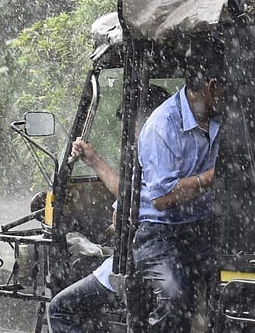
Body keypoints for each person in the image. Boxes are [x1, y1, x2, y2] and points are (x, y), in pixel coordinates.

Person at [48, 85, 170, 333]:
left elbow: (127, 205)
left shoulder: (157, 157)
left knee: (59, 308)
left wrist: (94, 160)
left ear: (148, 121)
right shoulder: (173, 152)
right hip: (159, 257)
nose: (134, 135)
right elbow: (125, 205)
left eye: (132, 127)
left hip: (143, 261)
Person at [132, 50, 224, 332]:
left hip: (202, 227)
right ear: (211, 87)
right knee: (174, 299)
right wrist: (212, 178)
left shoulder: (221, 117)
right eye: (228, 89)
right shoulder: (162, 125)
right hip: (158, 233)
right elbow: (162, 198)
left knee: (235, 283)